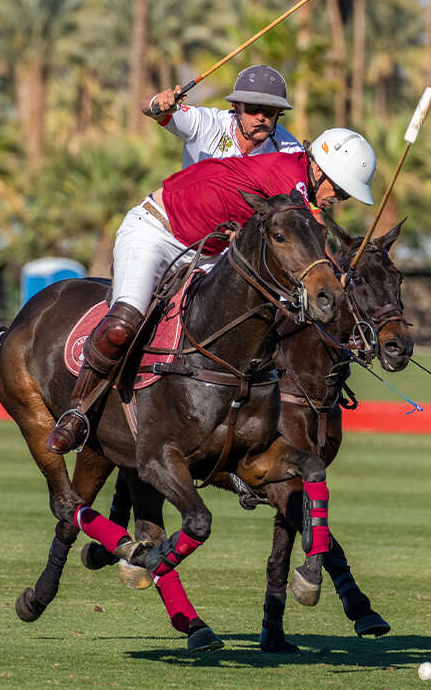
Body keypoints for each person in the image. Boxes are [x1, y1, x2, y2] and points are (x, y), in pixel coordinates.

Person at [46, 128, 377, 455]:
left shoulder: (296, 176)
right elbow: (313, 234)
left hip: (208, 250)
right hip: (156, 231)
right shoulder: (291, 179)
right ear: (318, 168)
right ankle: (76, 413)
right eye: (341, 189)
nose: (340, 199)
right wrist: (334, 277)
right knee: (124, 323)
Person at [142, 65, 304, 168]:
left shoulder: (290, 149)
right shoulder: (205, 124)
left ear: (278, 113)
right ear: (236, 106)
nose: (261, 117)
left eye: (269, 111)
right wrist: (158, 102)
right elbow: (147, 107)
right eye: (253, 108)